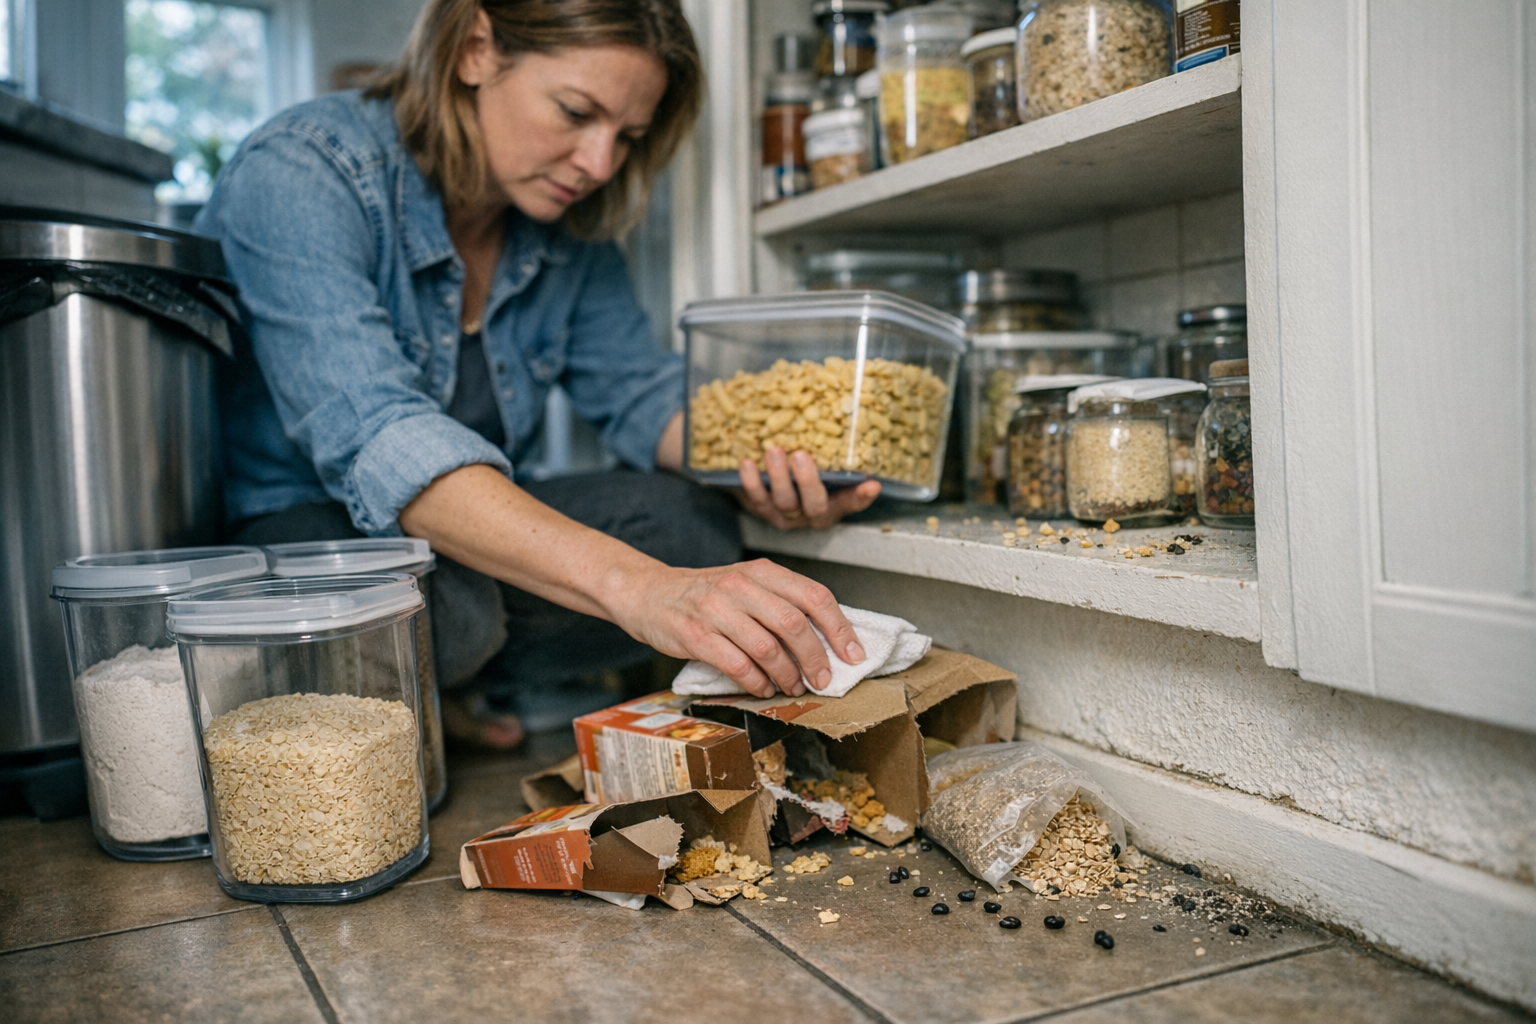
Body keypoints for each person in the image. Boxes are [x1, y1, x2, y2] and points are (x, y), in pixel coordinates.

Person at [196, 0, 883, 747]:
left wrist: (779, 465)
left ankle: (439, 689)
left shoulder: (566, 237)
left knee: (693, 526)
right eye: (575, 112)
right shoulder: (303, 169)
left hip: (455, 559)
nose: (599, 165)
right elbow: (378, 436)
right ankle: (441, 687)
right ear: (476, 49)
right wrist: (640, 589)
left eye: (628, 137)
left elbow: (642, 397)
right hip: (299, 534)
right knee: (441, 604)